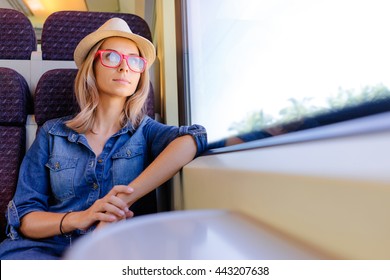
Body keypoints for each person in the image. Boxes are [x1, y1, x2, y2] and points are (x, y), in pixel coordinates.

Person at [0, 17, 207, 260]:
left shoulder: (146, 131)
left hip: (117, 247)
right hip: (47, 247)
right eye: (111, 57)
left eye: (134, 60)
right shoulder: (52, 132)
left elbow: (195, 137)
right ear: (92, 66)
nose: (124, 67)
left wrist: (117, 203)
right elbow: (26, 218)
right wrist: (83, 217)